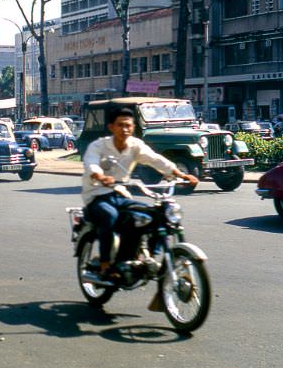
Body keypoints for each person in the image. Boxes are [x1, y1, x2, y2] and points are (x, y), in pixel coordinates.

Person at [82, 107, 197, 282]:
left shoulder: (135, 146)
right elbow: (91, 163)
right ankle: (105, 264)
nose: (125, 129)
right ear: (111, 127)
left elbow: (156, 159)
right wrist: (99, 176)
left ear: (133, 127)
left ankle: (145, 257)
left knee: (154, 214)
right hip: (97, 193)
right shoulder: (98, 146)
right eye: (120, 125)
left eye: (128, 125)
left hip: (120, 193)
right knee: (109, 215)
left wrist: (181, 174)